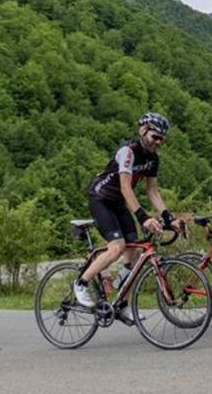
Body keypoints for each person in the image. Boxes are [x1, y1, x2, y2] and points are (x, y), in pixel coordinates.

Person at [75, 112, 182, 317]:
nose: (158, 142)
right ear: (143, 131)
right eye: (155, 137)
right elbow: (126, 188)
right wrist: (143, 217)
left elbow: (152, 192)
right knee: (117, 247)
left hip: (118, 203)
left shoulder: (153, 158)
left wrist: (169, 217)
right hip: (101, 198)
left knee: (136, 250)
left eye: (162, 139)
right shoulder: (128, 151)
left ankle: (121, 304)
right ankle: (80, 283)